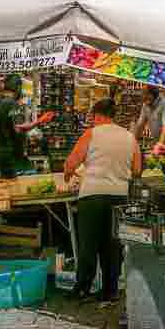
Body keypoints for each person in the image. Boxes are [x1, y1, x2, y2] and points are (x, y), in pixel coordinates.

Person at [63, 98, 141, 303]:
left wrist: (68, 175)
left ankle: (82, 288)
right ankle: (110, 290)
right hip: (119, 196)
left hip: (93, 195)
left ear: (97, 115)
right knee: (112, 246)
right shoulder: (129, 137)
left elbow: (71, 162)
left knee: (89, 244)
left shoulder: (91, 133)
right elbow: (137, 169)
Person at [0, 75, 53, 178]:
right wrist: (40, 121)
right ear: (18, 88)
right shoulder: (12, 104)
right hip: (13, 155)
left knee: (9, 184)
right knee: (27, 179)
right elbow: (19, 128)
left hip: (0, 153)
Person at [132, 86, 165, 152]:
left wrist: (160, 144)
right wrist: (133, 142)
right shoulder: (146, 105)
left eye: (146, 95)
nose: (143, 98)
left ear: (153, 94)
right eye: (143, 95)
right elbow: (140, 125)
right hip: (159, 143)